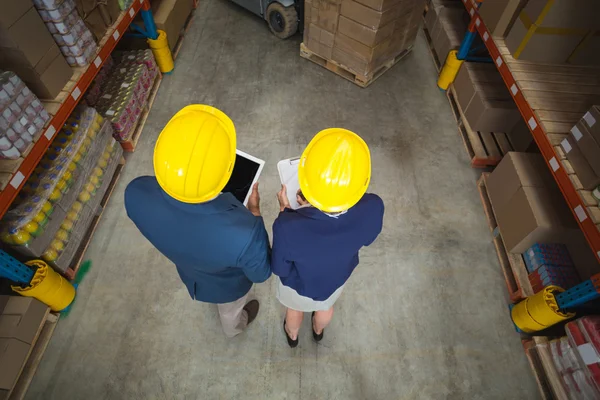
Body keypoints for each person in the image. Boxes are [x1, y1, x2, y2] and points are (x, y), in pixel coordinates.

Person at [125, 105, 271, 338]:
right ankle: (233, 329)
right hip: (227, 287)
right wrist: (254, 211)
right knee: (230, 311)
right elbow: (260, 274)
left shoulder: (135, 193)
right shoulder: (245, 233)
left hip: (190, 273)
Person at [272, 128, 384, 347]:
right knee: (325, 307)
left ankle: (292, 337)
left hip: (298, 283)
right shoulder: (373, 206)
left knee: (294, 310)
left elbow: (280, 268)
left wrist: (286, 211)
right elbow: (368, 237)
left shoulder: (288, 226)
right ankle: (318, 331)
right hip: (335, 279)